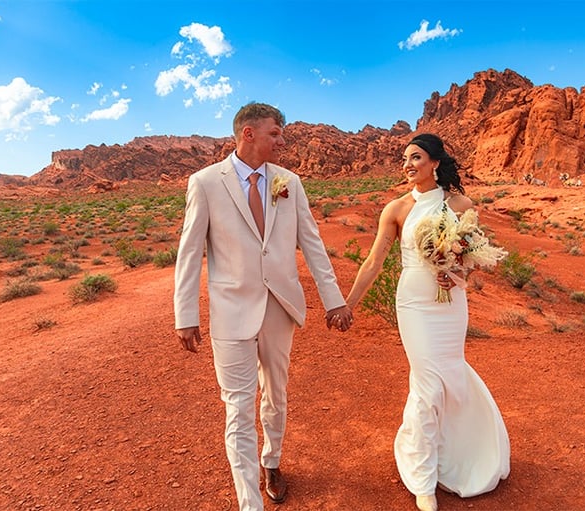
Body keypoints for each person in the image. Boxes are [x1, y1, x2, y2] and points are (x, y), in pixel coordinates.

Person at [173, 102, 353, 511]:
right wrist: (185, 315)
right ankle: (249, 503)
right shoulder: (204, 183)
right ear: (248, 133)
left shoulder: (289, 181)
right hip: (231, 310)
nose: (282, 141)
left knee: (276, 392)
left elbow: (312, 243)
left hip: (279, 307)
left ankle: (271, 460)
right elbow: (189, 253)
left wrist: (334, 299)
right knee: (237, 407)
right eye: (275, 133)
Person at [344, 133, 510, 511]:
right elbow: (374, 262)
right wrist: (348, 304)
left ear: (435, 162)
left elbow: (473, 258)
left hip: (450, 301)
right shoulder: (397, 209)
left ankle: (458, 452)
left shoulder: (461, 204)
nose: (407, 165)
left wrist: (454, 268)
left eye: (415, 157)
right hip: (415, 303)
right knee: (426, 382)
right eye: (404, 159)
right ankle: (423, 477)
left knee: (448, 375)